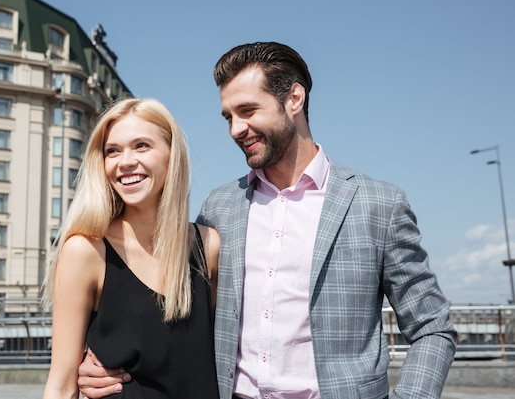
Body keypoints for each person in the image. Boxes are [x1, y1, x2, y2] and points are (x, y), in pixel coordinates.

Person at [77, 42, 458, 399]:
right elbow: (174, 317)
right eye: (228, 116)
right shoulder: (219, 209)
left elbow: (432, 326)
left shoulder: (379, 205)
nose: (235, 129)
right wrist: (98, 362)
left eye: (248, 111)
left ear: (294, 98)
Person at [42, 98, 220, 399]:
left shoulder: (209, 246)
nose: (125, 162)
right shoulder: (85, 251)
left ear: (171, 154)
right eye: (112, 151)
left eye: (141, 146)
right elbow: (61, 386)